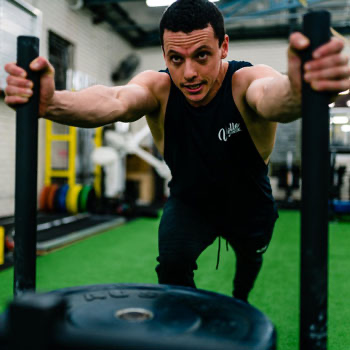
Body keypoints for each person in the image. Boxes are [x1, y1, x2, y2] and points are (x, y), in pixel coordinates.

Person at [4, 0, 350, 302]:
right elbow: (115, 100)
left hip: (249, 204)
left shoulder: (247, 81)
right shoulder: (159, 88)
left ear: (224, 47)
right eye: (176, 58)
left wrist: (302, 87)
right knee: (171, 263)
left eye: (202, 55)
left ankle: (241, 297)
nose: (189, 73)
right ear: (165, 55)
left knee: (250, 258)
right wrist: (52, 102)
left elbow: (275, 97)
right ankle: (187, 325)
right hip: (190, 202)